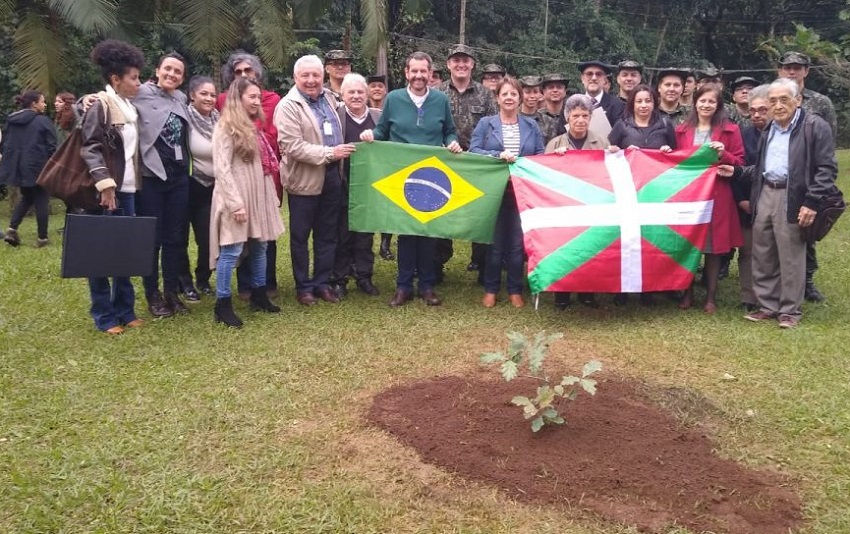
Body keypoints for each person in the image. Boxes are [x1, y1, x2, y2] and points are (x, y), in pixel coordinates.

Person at [725, 78, 838, 328]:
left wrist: (811, 202)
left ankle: (789, 310)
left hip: (794, 195)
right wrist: (735, 172)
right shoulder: (770, 128)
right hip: (765, 191)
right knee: (763, 250)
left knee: (790, 253)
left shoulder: (813, 126)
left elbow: (827, 169)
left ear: (797, 100)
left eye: (784, 99)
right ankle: (767, 305)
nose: (777, 105)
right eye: (772, 100)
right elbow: (762, 168)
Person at [360, 51, 461, 307]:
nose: (418, 76)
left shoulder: (440, 100)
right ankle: (403, 286)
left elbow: (448, 131)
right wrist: (372, 134)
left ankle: (427, 286)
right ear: (406, 73)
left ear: (430, 74)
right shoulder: (393, 99)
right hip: (401, 175)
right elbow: (383, 129)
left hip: (430, 174)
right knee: (405, 231)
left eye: (423, 71)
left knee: (427, 231)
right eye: (413, 71)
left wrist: (452, 143)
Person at [79, 39, 146, 334]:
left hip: (129, 190)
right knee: (101, 254)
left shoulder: (129, 107)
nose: (139, 83)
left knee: (124, 251)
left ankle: (125, 309)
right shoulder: (102, 105)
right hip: (107, 192)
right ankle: (104, 316)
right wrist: (105, 185)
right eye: (133, 78)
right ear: (115, 79)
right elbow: (90, 146)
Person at [275, 54, 352, 306]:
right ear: (295, 77)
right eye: (305, 75)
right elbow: (292, 146)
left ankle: (322, 283)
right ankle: (303, 287)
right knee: (300, 236)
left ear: (323, 76)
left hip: (332, 176)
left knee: (327, 234)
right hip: (303, 180)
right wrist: (330, 153)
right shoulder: (288, 106)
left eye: (315, 75)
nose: (311, 80)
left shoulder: (331, 99)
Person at [210, 78, 285, 328]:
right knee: (231, 251)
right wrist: (235, 204)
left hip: (258, 195)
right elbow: (222, 169)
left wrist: (269, 198)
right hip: (238, 197)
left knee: (261, 246)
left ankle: (259, 295)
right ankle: (222, 304)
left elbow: (261, 167)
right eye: (251, 96)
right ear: (238, 98)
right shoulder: (226, 127)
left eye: (258, 97)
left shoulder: (254, 127)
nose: (256, 101)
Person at [470, 76, 544, 309]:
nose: (509, 98)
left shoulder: (531, 125)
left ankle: (514, 290)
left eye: (514, 94)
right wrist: (497, 156)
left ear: (520, 98)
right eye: (505, 94)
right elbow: (474, 150)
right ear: (497, 98)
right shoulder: (485, 124)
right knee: (494, 243)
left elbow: (540, 155)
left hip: (522, 193)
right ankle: (491, 289)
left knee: (516, 244)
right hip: (494, 192)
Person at [674, 84, 745, 314]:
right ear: (695, 102)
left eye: (711, 102)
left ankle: (711, 296)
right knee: (688, 245)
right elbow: (675, 162)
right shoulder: (682, 130)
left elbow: (741, 163)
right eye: (702, 100)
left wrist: (724, 153)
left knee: (713, 248)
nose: (706, 105)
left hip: (717, 195)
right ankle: (688, 292)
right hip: (689, 196)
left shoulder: (731, 131)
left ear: (718, 105)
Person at [132, 52, 192, 318]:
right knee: (152, 240)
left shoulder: (180, 98)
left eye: (178, 72)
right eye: (167, 69)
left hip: (178, 177)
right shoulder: (139, 92)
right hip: (151, 176)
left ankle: (171, 292)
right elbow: (109, 100)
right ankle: (152, 295)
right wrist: (87, 101)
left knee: (175, 239)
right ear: (157, 71)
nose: (172, 74)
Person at [608, 84, 676, 306]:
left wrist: (668, 153)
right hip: (627, 194)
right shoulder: (621, 126)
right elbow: (608, 156)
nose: (644, 105)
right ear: (632, 103)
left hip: (655, 194)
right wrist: (615, 152)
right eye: (639, 101)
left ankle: (648, 289)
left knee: (651, 241)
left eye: (648, 100)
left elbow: (676, 158)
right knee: (626, 240)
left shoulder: (665, 125)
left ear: (654, 102)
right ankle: (622, 290)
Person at [777, 51, 836, 303]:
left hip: (809, 177)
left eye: (797, 68)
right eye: (788, 67)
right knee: (778, 231)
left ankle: (807, 281)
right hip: (780, 174)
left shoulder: (821, 103)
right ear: (780, 70)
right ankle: (781, 280)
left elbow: (828, 141)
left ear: (806, 71)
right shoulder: (775, 98)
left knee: (806, 231)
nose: (792, 71)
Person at [437, 44, 498, 280]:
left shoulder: (486, 94)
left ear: (473, 64)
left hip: (477, 163)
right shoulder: (438, 93)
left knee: (481, 215)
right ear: (448, 64)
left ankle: (483, 266)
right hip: (446, 161)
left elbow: (494, 128)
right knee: (441, 212)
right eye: (456, 60)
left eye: (466, 60)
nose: (461, 64)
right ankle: (437, 264)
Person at [543, 94, 608, 310]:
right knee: (565, 250)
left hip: (592, 206)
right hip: (564, 207)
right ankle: (561, 293)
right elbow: (544, 176)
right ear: (567, 117)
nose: (580, 120)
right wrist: (555, 159)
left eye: (585, 115)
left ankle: (587, 293)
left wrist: (613, 154)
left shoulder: (602, 142)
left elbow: (609, 173)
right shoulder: (555, 143)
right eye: (576, 115)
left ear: (590, 117)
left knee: (589, 250)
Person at [329, 73, 382, 298]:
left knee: (365, 234)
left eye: (360, 91)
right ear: (342, 95)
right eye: (351, 92)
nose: (357, 96)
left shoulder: (379, 117)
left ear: (367, 93)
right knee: (342, 234)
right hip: (342, 182)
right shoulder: (334, 116)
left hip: (370, 186)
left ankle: (364, 276)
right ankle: (339, 279)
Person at [1, 90, 56, 248]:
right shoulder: (43, 121)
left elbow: (5, 143)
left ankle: (12, 230)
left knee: (27, 197)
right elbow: (52, 146)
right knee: (42, 199)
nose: (44, 104)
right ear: (34, 104)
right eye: (42, 101)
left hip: (19, 167)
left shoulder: (12, 120)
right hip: (40, 166)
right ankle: (42, 238)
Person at [733, 84, 771, 312]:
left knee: (770, 251)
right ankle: (749, 296)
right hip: (747, 201)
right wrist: (740, 200)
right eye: (753, 110)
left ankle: (770, 294)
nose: (757, 115)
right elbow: (735, 169)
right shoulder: (743, 135)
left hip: (775, 199)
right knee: (747, 250)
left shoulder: (783, 135)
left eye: (762, 110)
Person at [184, 75, 219, 296]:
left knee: (207, 238)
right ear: (192, 95)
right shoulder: (183, 117)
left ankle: (202, 278)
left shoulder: (219, 119)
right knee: (178, 238)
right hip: (187, 184)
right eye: (203, 93)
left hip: (211, 188)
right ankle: (184, 283)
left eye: (213, 94)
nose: (209, 98)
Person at [578, 60, 625, 138]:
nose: (593, 78)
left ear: (604, 80)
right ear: (582, 78)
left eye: (598, 74)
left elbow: (620, 135)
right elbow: (563, 133)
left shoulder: (618, 105)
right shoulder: (572, 104)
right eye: (589, 74)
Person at [539, 73, 569, 143]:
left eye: (559, 87)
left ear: (565, 91)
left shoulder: (571, 116)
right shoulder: (537, 118)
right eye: (551, 87)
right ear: (543, 92)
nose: (555, 90)